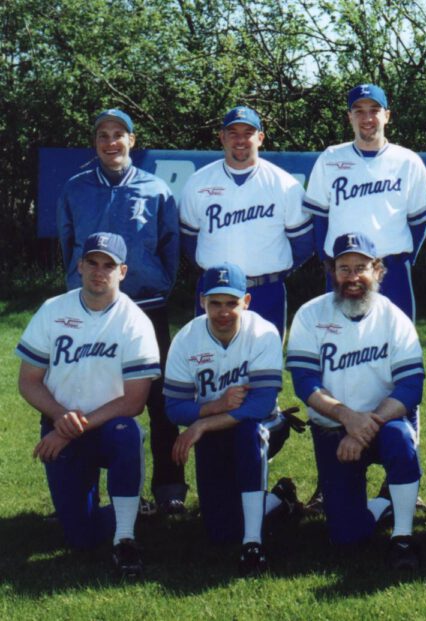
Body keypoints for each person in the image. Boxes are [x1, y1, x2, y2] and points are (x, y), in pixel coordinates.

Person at [57, 108, 186, 514]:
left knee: (159, 400)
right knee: (94, 395)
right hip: (91, 311)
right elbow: (67, 243)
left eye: (119, 135)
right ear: (95, 142)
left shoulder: (154, 189)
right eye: (103, 135)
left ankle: (169, 489)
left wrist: (157, 284)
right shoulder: (75, 188)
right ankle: (92, 490)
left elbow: (171, 244)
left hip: (146, 307)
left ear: (132, 140)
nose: (111, 142)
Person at [16, 232, 159, 578]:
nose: (99, 271)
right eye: (92, 263)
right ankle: (133, 507)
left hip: (108, 427)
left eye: (108, 265)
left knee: (128, 432)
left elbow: (135, 401)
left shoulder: (135, 321)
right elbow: (28, 381)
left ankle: (125, 536)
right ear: (79, 265)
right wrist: (60, 418)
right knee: (79, 536)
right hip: (60, 422)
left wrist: (69, 429)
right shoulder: (54, 310)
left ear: (122, 271)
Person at [287, 232, 425, 570]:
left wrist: (367, 423)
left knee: (401, 438)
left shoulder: (394, 317)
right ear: (332, 272)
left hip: (383, 424)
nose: (352, 278)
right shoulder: (310, 314)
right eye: (343, 268)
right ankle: (384, 502)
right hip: (334, 431)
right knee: (346, 536)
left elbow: (411, 386)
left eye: (361, 268)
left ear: (378, 270)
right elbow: (305, 383)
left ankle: (403, 538)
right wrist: (347, 419)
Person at [164, 263, 300, 575]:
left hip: (264, 425)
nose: (223, 312)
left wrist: (202, 423)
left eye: (231, 303)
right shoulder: (186, 339)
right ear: (202, 302)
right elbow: (173, 407)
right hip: (215, 430)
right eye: (215, 303)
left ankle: (253, 543)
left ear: (246, 302)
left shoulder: (263, 333)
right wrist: (214, 408)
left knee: (248, 434)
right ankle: (280, 500)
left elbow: (261, 403)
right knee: (220, 531)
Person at [179, 106, 314, 334]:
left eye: (248, 133)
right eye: (233, 133)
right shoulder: (198, 182)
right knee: (210, 362)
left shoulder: (285, 185)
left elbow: (302, 244)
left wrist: (273, 271)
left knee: (265, 364)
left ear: (260, 138)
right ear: (222, 137)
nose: (240, 140)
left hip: (265, 290)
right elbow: (189, 239)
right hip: (214, 290)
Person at [303, 84, 426, 320]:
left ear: (387, 115)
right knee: (336, 337)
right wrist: (329, 262)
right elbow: (319, 218)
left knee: (396, 342)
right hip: (342, 267)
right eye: (359, 111)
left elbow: (418, 222)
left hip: (391, 267)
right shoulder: (331, 158)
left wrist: (402, 258)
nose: (367, 118)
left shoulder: (408, 161)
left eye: (374, 110)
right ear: (349, 116)